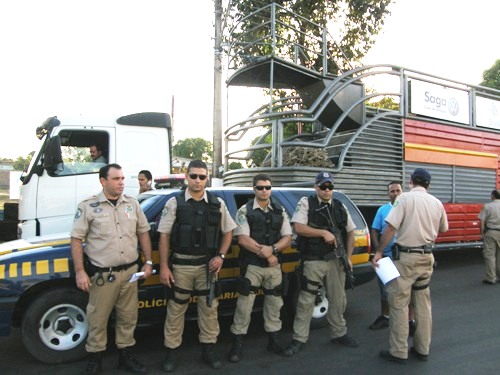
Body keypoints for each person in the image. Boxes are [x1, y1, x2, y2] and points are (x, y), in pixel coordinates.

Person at [70, 163, 154, 374]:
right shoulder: (88, 206)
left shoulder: (132, 204)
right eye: (116, 179)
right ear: (103, 181)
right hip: (102, 275)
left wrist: (148, 261)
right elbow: (76, 239)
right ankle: (95, 360)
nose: (121, 183)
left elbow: (143, 233)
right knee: (97, 319)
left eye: (123, 178)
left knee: (128, 317)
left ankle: (125, 357)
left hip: (130, 274)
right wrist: (80, 271)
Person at [158, 160, 237, 372]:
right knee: (175, 309)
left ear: (207, 178)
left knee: (209, 310)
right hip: (181, 265)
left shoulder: (216, 203)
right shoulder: (174, 203)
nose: (198, 180)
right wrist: (164, 267)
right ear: (186, 176)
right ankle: (171, 352)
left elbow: (228, 231)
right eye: (193, 176)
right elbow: (164, 236)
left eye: (202, 177)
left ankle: (208, 350)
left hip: (208, 266)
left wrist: (220, 255)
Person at [373, 168, 448, 364]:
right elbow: (443, 228)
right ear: (428, 184)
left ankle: (398, 351)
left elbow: (390, 227)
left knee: (398, 303)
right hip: (426, 257)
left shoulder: (404, 199)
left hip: (406, 259)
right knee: (423, 304)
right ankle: (422, 349)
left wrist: (379, 252)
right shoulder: (437, 203)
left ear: (411, 181)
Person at [282, 171, 359, 357]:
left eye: (330, 186)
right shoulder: (306, 203)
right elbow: (298, 227)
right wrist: (323, 233)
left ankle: (339, 333)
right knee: (306, 300)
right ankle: (299, 338)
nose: (326, 190)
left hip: (336, 260)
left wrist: (348, 257)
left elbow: (350, 233)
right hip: (313, 259)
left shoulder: (339, 206)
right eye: (323, 186)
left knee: (338, 299)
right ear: (316, 187)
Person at [228, 174, 292, 362]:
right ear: (253, 189)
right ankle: (237, 344)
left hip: (273, 268)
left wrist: (273, 249)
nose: (264, 191)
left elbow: (287, 237)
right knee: (244, 306)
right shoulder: (245, 210)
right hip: (252, 266)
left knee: (274, 305)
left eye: (267, 187)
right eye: (260, 187)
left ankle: (274, 341)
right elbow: (243, 239)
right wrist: (268, 254)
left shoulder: (280, 211)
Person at [369, 181, 416, 335]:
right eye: (392, 191)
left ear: (402, 192)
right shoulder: (382, 210)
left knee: (408, 290)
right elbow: (375, 230)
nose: (395, 194)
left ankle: (410, 321)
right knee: (385, 290)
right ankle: (385, 316)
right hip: (386, 256)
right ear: (388, 193)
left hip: (404, 256)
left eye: (398, 191)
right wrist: (378, 250)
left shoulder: (409, 209)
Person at [478, 189, 500, 285]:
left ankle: (491, 277)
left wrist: (482, 234)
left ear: (493, 196)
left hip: (491, 232)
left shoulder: (488, 206)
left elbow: (482, 221)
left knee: (490, 255)